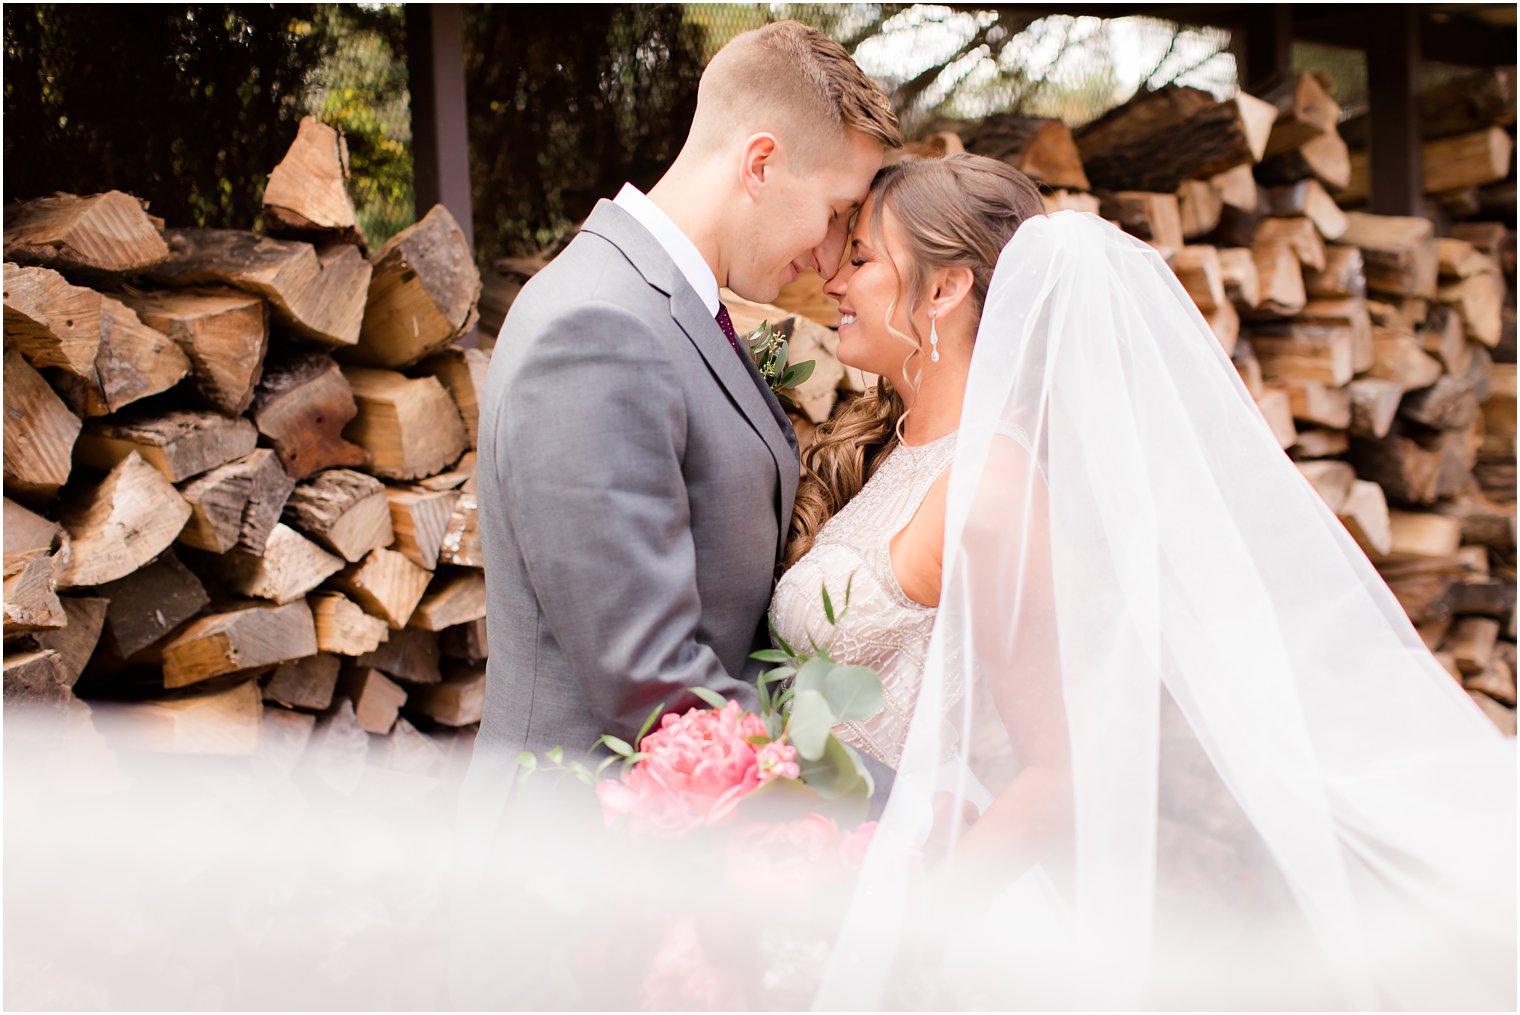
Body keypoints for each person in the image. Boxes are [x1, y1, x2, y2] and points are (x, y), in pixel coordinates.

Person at [770, 153, 1516, 1009]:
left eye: (862, 258)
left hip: (935, 924)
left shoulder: (994, 488)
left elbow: (1062, 769)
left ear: (944, 291)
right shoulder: (903, 449)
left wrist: (905, 930)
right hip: (841, 873)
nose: (833, 276)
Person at [465, 22, 900, 819]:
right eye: (836, 212)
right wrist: (889, 809)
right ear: (760, 164)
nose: (833, 255)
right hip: (576, 863)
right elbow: (654, 685)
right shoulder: (599, 326)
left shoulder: (666, 307)